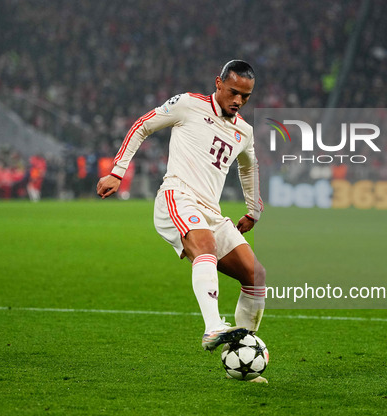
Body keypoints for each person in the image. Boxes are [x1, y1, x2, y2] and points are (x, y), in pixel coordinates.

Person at [96, 60, 267, 382]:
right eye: (233, 92)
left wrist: (253, 210)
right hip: (177, 195)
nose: (238, 101)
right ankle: (213, 326)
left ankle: (241, 350)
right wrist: (118, 171)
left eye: (245, 97)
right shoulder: (188, 104)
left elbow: (249, 168)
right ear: (218, 83)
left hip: (211, 211)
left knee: (256, 275)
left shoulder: (244, 131)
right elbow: (143, 125)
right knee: (204, 245)